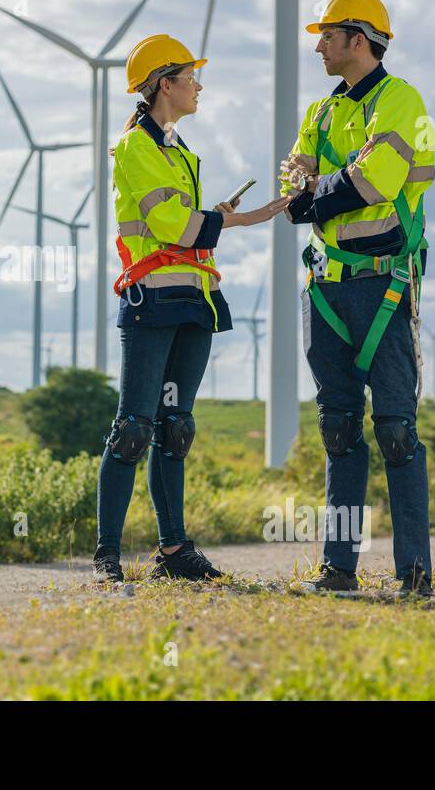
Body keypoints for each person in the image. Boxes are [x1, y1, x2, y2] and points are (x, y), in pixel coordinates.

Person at [92, 34, 291, 583]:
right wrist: (240, 219)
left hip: (195, 302)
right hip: (152, 302)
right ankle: (106, 556)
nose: (199, 87)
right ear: (164, 85)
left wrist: (216, 216)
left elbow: (192, 230)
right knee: (133, 427)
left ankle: (173, 553)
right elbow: (172, 226)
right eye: (190, 78)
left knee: (175, 427)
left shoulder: (183, 153)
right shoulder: (135, 148)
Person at [280, 0, 435, 596]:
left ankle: (414, 575)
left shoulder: (402, 101)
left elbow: (375, 182)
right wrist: (329, 184)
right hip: (325, 289)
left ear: (358, 38)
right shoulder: (320, 113)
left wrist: (325, 183)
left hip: (385, 287)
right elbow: (296, 194)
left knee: (396, 430)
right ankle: (338, 569)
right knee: (339, 429)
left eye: (327, 36)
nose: (318, 46)